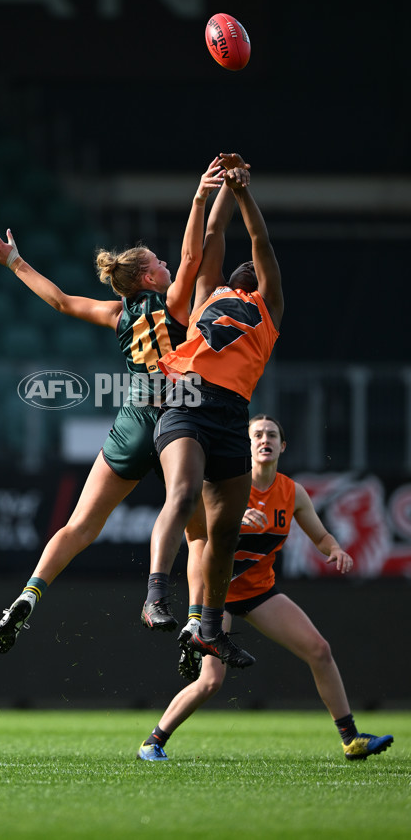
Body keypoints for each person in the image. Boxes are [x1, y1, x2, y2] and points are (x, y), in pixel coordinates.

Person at [0, 159, 228, 652]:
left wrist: (14, 262)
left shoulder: (117, 314)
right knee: (198, 531)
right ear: (147, 278)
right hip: (177, 417)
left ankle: (27, 595)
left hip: (133, 418)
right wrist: (200, 198)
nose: (167, 264)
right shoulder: (176, 304)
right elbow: (194, 253)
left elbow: (60, 301)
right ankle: (195, 621)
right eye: (159, 263)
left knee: (79, 525)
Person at [137, 415, 394, 762]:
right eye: (256, 434)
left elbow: (320, 535)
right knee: (212, 682)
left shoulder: (292, 491)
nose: (264, 439)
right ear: (246, 445)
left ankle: (351, 739)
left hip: (259, 592)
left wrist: (334, 548)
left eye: (271, 434)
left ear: (282, 446)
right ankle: (153, 742)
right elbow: (197, 537)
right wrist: (233, 520)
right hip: (219, 596)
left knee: (319, 650)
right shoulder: (223, 486)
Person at [142, 156, 284, 671]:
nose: (250, 268)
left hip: (231, 415)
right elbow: (215, 229)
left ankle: (208, 630)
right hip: (186, 400)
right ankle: (157, 595)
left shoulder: (268, 307)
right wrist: (230, 185)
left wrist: (243, 191)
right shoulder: (209, 292)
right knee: (181, 495)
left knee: (224, 533)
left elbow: (260, 245)